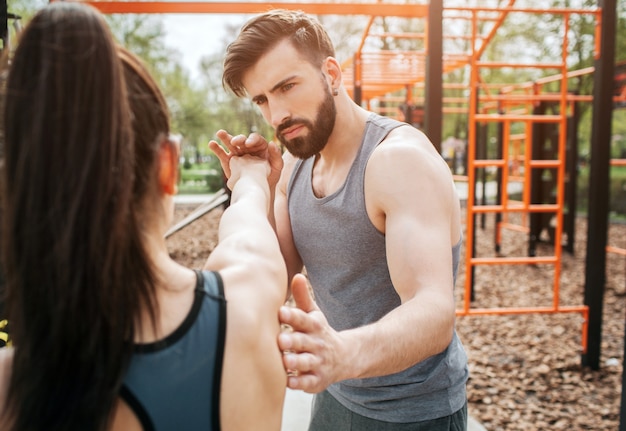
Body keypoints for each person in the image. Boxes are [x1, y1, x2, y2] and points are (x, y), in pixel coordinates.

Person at [0, 3, 286, 430]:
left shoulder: (12, 388)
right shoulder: (248, 300)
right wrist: (250, 175)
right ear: (168, 165)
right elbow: (246, 218)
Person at [210, 9, 469, 430]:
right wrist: (259, 184)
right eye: (262, 100)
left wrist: (339, 354)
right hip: (337, 392)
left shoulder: (396, 160)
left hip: (414, 412)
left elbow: (434, 311)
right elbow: (278, 273)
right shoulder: (295, 164)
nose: (276, 115)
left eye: (287, 86)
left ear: (331, 73)